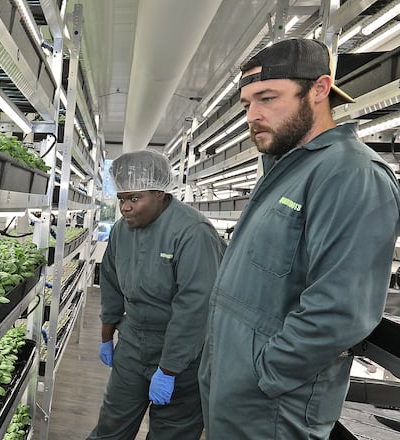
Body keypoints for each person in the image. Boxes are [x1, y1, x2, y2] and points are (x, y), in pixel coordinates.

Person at [198, 38, 400, 439]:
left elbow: (341, 309)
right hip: (238, 391)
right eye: (246, 104)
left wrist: (265, 374)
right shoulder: (286, 169)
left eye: (267, 98)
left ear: (320, 90)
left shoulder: (351, 174)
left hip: (273, 406)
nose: (253, 115)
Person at [87, 150, 226, 440]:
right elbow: (110, 285)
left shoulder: (193, 233)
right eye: (121, 198)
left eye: (134, 198)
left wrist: (170, 368)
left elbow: (195, 308)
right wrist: (105, 338)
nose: (125, 207)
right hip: (133, 345)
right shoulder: (120, 232)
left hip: (184, 355)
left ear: (160, 193)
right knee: (110, 428)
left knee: (172, 433)